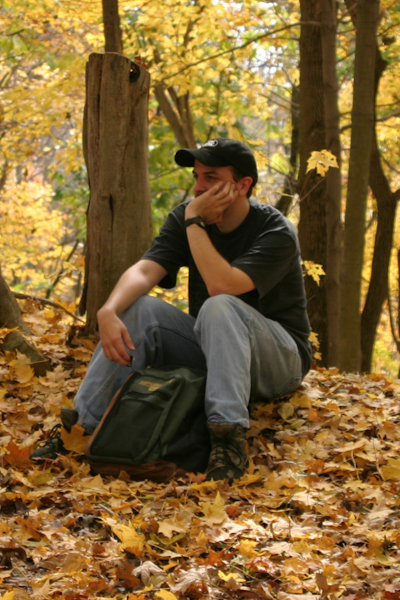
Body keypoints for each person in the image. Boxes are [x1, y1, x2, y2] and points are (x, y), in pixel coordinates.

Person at [33, 138, 312, 480]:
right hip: (218, 352)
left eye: (210, 177)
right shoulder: (187, 216)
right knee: (139, 309)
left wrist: (194, 222)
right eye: (197, 177)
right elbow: (146, 270)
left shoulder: (275, 229)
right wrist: (108, 311)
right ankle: (77, 430)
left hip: (278, 361)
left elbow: (222, 285)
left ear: (243, 185)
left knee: (220, 304)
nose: (198, 187)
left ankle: (227, 441)